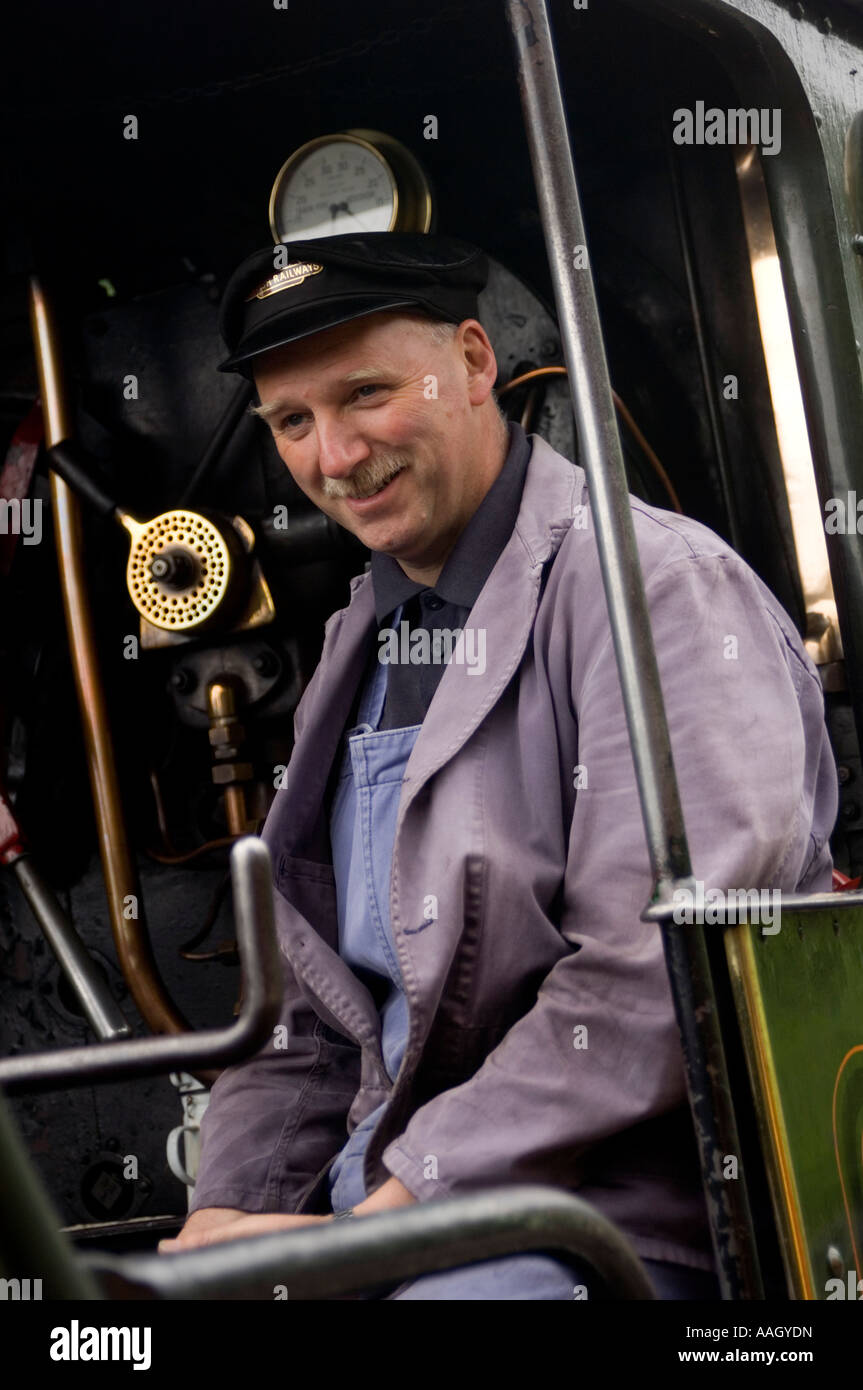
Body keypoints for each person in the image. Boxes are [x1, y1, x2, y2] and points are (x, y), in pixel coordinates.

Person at [157, 233, 838, 1299]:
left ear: (473, 362)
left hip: (612, 1232)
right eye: (293, 421)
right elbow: (307, 1017)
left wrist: (386, 1216)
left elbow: (660, 972)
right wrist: (220, 1222)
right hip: (387, 1221)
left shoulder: (651, 591)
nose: (334, 455)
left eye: (365, 393)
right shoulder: (361, 640)